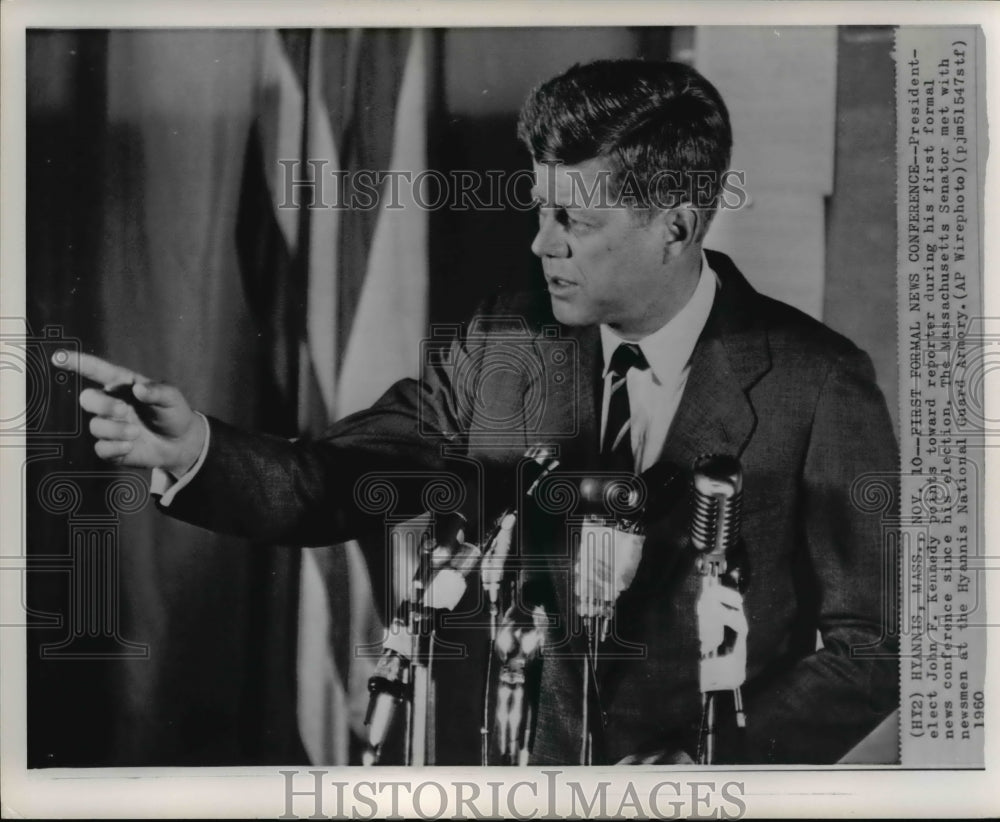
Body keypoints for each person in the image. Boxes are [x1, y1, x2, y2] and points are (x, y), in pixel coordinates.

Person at [54, 59, 898, 764]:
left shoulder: (818, 384)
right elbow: (342, 479)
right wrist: (194, 446)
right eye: (540, 207)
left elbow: (876, 647)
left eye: (575, 219)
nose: (542, 243)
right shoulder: (504, 339)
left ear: (676, 226)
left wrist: (699, 767)